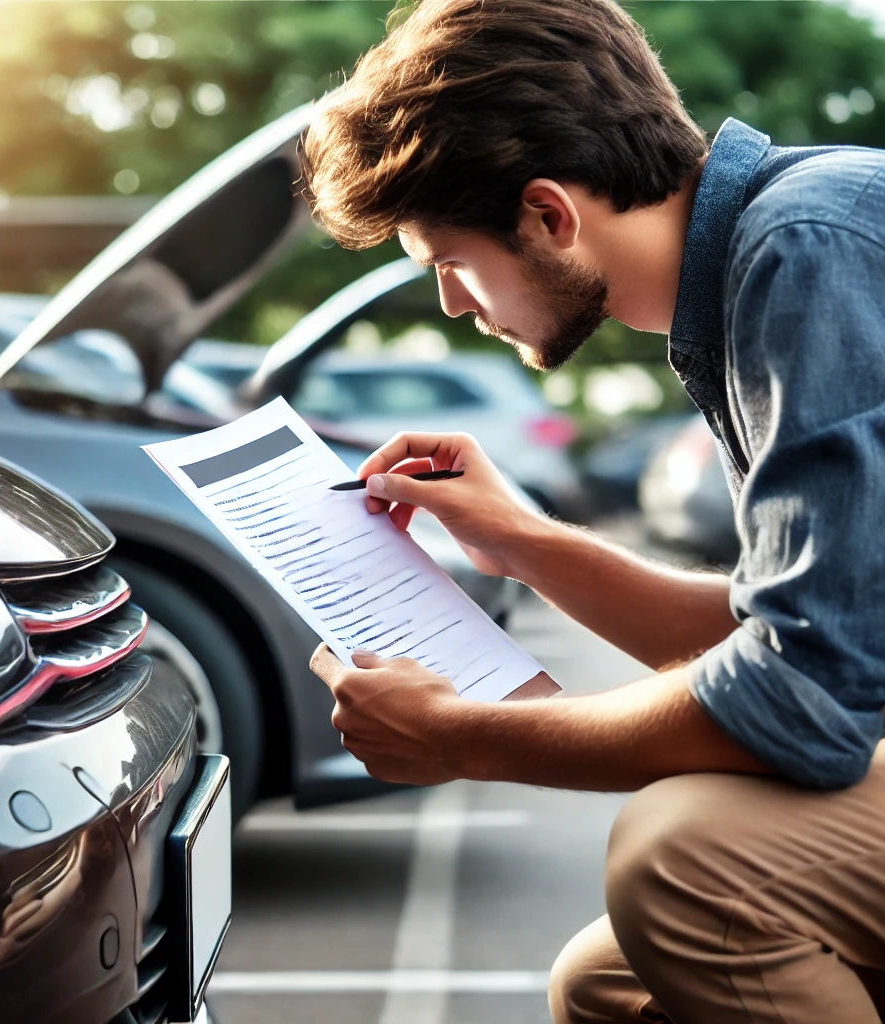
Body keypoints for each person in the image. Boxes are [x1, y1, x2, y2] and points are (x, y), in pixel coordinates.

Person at [299, 0, 885, 1021]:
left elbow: (807, 699)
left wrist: (468, 738)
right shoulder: (769, 256)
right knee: (607, 985)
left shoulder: (805, 249)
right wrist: (520, 541)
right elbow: (814, 632)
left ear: (547, 215)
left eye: (447, 261)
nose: (450, 303)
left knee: (688, 863)